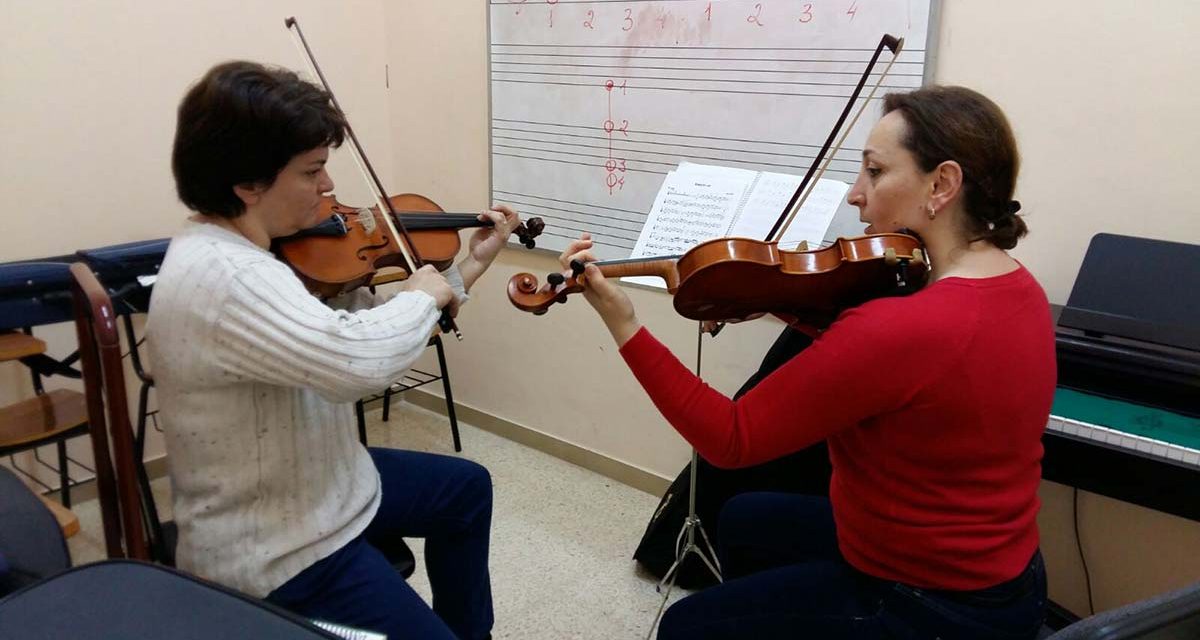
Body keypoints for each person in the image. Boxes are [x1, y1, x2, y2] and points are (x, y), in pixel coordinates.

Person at [561, 85, 1054, 639]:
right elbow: (896, 372)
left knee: (684, 627)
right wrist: (771, 296)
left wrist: (622, 319)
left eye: (874, 171)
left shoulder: (903, 325)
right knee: (746, 519)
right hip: (1007, 574)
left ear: (941, 184)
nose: (855, 194)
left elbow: (732, 437)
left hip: (931, 599)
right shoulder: (1018, 288)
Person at [147, 60, 518, 640]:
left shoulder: (257, 254)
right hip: (279, 547)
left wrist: (466, 266)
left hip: (326, 485)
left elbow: (353, 325)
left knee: (464, 490)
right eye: (312, 171)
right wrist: (422, 293)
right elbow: (357, 362)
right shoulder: (229, 276)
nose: (328, 188)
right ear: (248, 183)